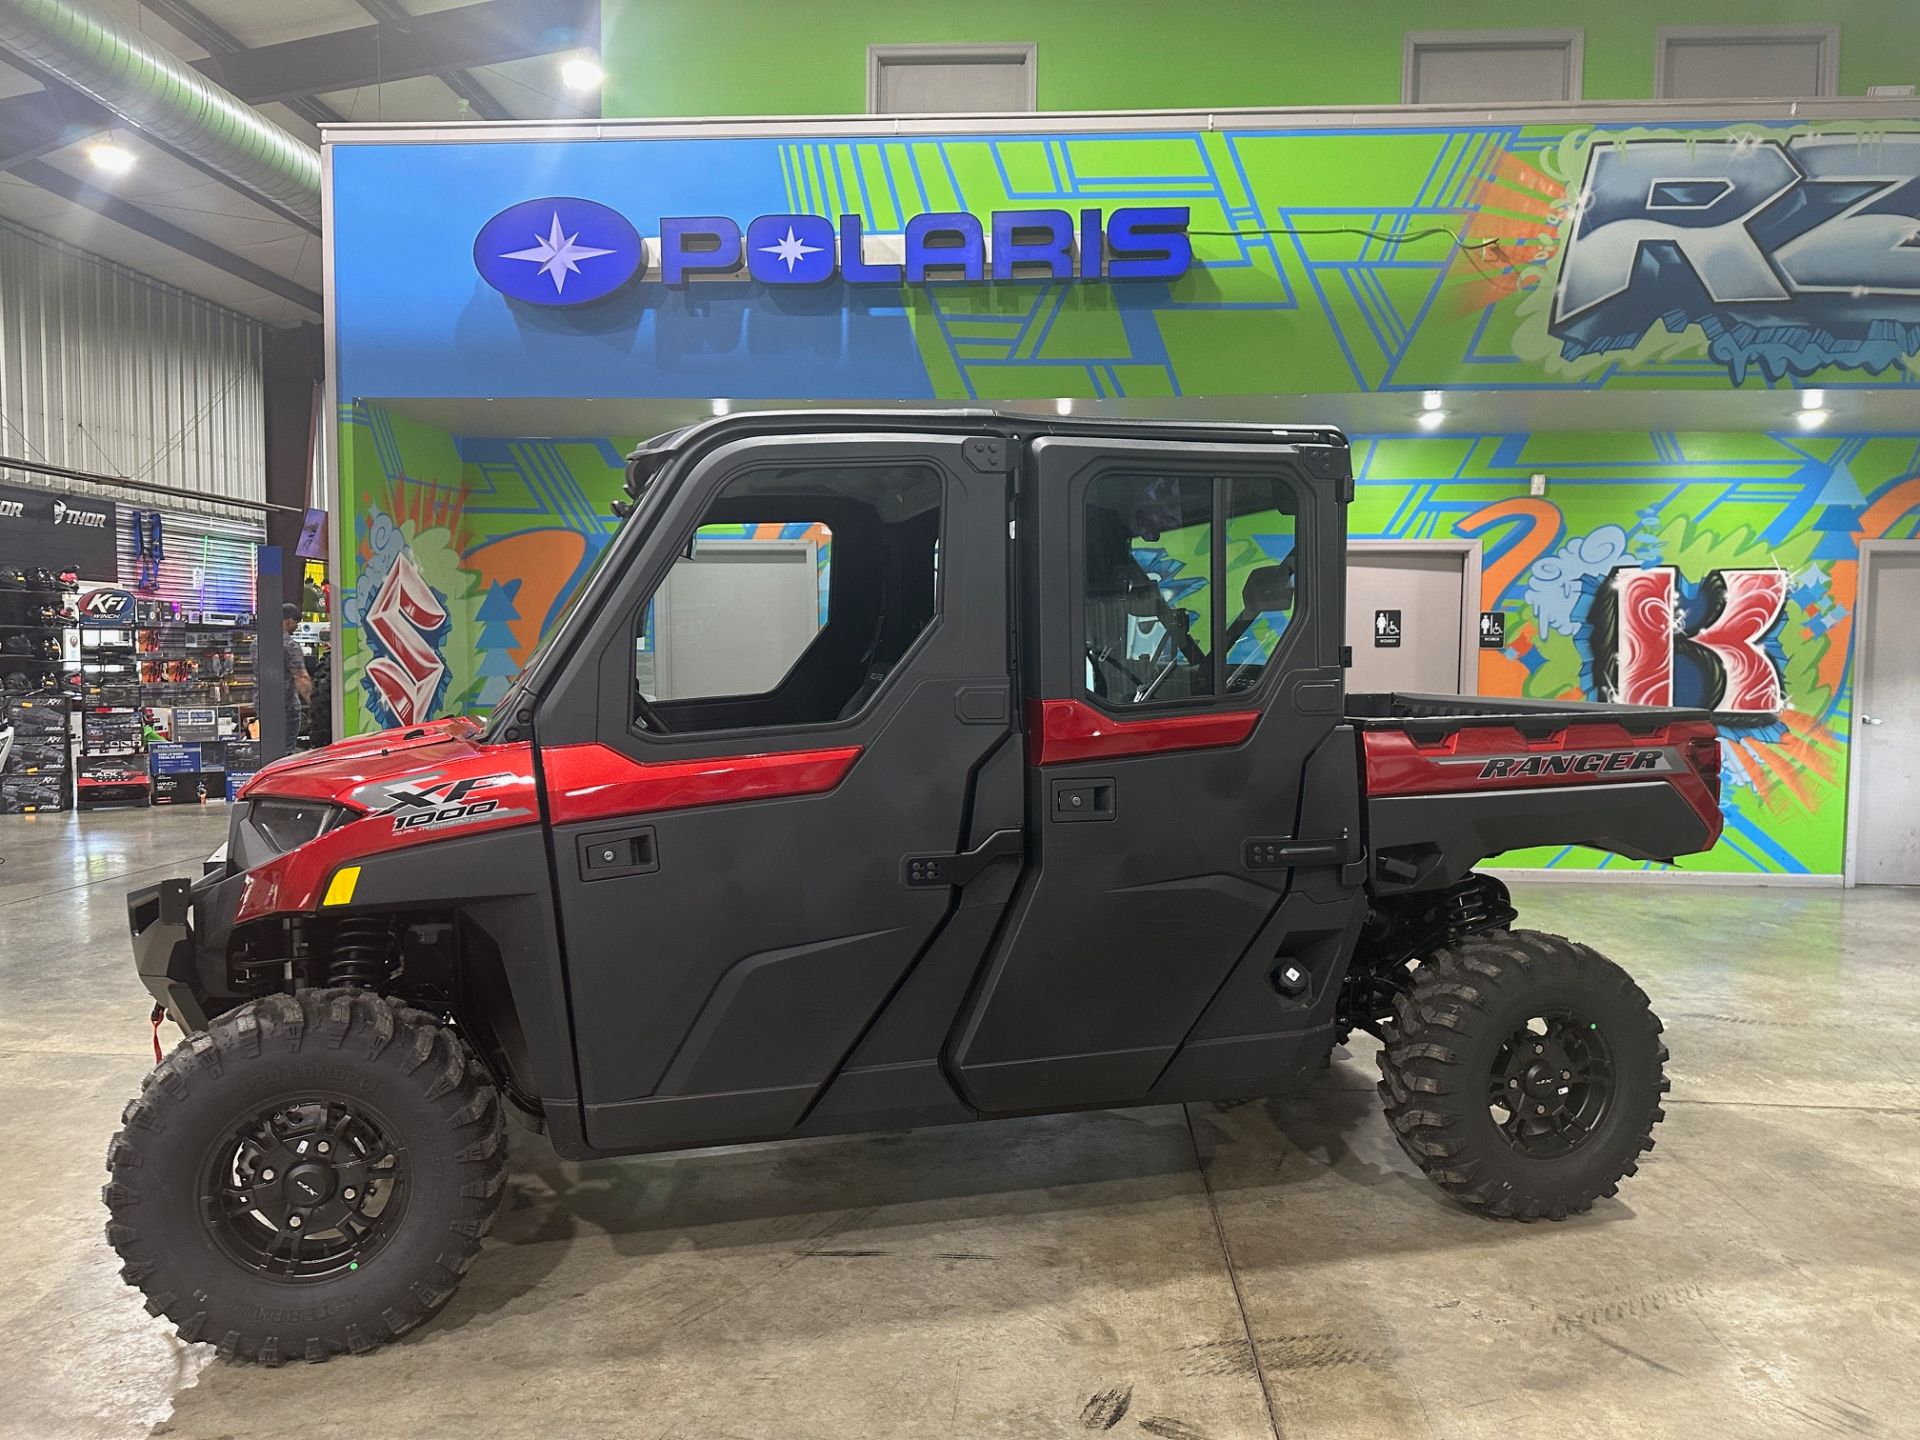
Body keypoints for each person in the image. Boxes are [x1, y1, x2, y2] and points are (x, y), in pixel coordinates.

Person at [281, 603, 310, 751]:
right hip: (287, 705)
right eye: (296, 624)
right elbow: (301, 677)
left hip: (263, 706)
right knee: (287, 750)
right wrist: (313, 703)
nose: (296, 628)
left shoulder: (256, 643)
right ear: (289, 621)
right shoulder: (290, 645)